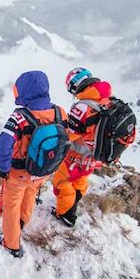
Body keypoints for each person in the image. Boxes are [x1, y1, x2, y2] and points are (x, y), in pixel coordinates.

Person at [0, 70, 68, 258]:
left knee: (11, 203)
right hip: (43, 169)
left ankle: (11, 243)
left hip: (19, 171)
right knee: (31, 192)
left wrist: (3, 168)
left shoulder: (19, 116)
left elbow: (4, 142)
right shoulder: (60, 112)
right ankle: (23, 220)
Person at [51, 67, 111, 227]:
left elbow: (70, 134)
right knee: (80, 178)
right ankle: (73, 203)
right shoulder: (107, 100)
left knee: (60, 181)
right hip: (95, 156)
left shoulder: (83, 106)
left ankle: (66, 214)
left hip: (78, 156)